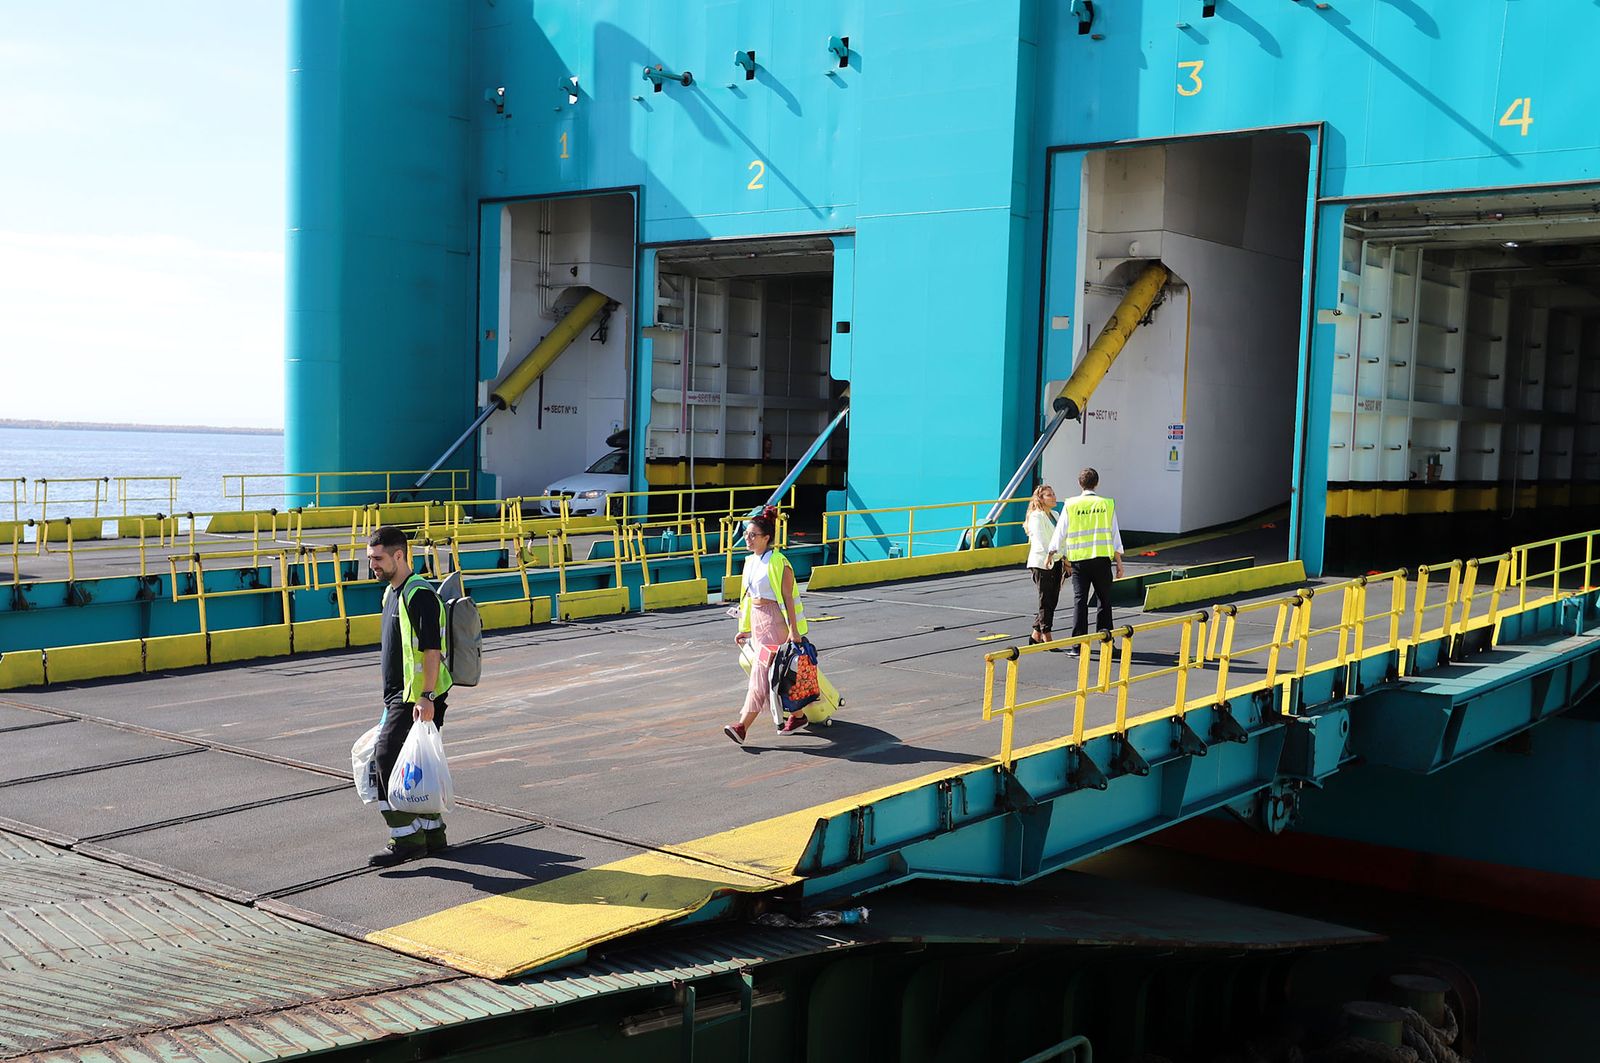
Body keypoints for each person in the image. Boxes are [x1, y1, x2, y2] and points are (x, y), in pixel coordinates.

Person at [364, 525, 453, 866]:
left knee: (385, 761)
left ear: (398, 556)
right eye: (371, 558)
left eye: (378, 558)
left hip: (417, 698)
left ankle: (406, 838)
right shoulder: (392, 593)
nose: (372, 565)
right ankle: (432, 833)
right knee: (419, 766)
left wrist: (426, 697)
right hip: (401, 698)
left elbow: (432, 651)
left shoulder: (420, 595)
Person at [725, 505, 808, 744]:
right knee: (777, 675)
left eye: (752, 535)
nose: (747, 539)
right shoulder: (750, 562)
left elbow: (790, 598)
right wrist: (745, 627)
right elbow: (749, 597)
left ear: (766, 538)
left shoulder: (779, 562)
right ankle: (798, 715)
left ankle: (742, 726)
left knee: (761, 674)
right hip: (759, 620)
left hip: (775, 622)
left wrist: (794, 630)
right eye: (746, 534)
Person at [1047, 468, 1125, 652]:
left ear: (1080, 484)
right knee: (1104, 601)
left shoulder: (1071, 504)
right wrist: (1119, 563)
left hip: (1080, 562)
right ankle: (1106, 642)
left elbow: (1060, 531)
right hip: (1101, 560)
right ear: (1096, 483)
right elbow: (1115, 534)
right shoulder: (1106, 504)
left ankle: (1078, 645)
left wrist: (1051, 553)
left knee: (1080, 601)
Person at [1025, 484, 1068, 644]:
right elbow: (1043, 541)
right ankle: (1046, 633)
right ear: (1041, 499)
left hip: (1056, 561)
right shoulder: (1036, 516)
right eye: (1049, 495)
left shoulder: (1056, 515)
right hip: (1042, 562)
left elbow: (1062, 538)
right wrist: (1055, 554)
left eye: (1053, 493)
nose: (1054, 497)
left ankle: (1036, 633)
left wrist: (1064, 557)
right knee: (1046, 599)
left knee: (1053, 599)